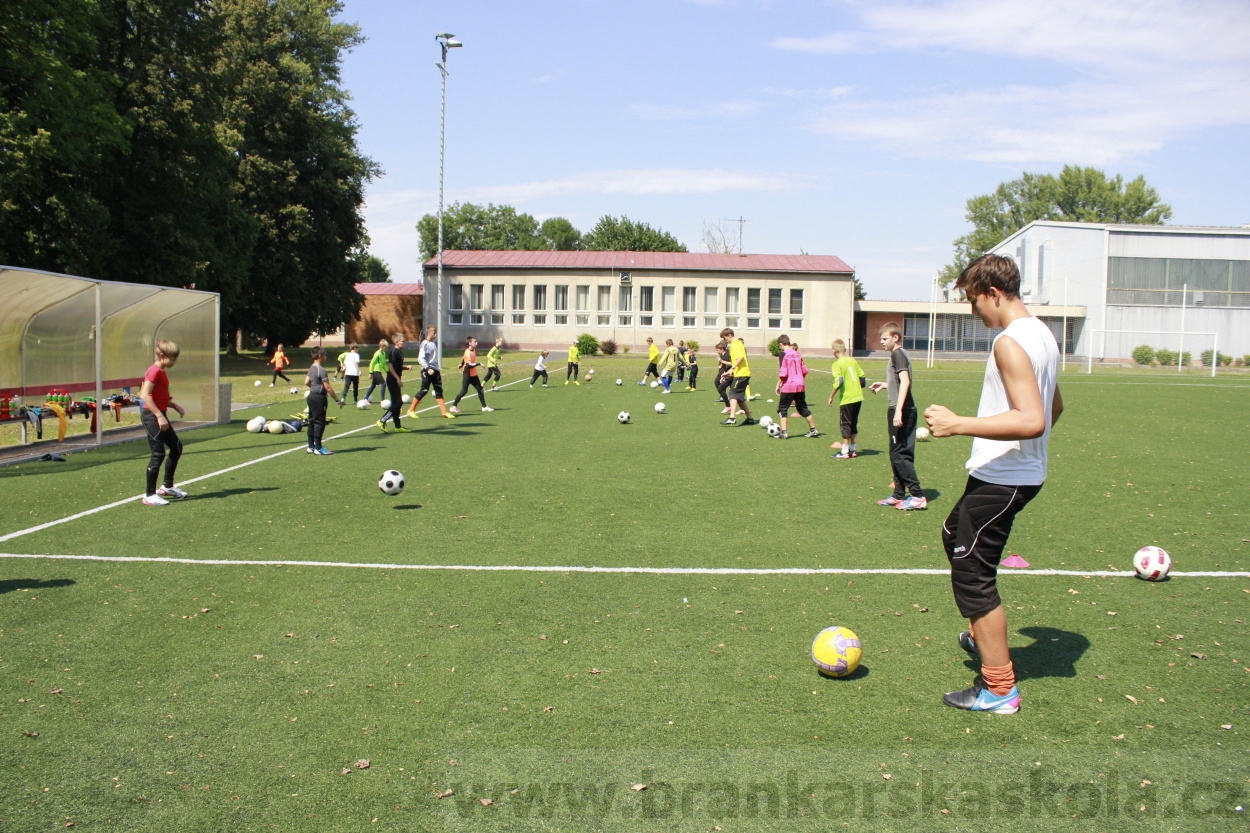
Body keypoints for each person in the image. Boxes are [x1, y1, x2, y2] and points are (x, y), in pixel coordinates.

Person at [924, 254, 1063, 715]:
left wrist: (959, 423)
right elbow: (1054, 406)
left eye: (972, 300)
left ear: (993, 293)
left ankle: (1000, 688)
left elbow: (1034, 417)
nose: (973, 311)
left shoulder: (1010, 342)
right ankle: (985, 640)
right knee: (952, 536)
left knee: (974, 576)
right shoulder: (1043, 335)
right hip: (1004, 472)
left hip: (1005, 480)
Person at [870, 322, 924, 510]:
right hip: (902, 408)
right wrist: (885, 385)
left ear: (895, 337)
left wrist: (899, 410)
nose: (881, 342)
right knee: (897, 454)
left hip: (902, 410)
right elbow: (898, 382)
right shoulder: (898, 355)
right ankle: (899, 495)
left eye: (884, 339)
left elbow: (905, 381)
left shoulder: (898, 354)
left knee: (899, 455)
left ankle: (917, 495)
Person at [139, 339, 187, 506]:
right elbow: (145, 395)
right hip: (151, 416)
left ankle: (167, 487)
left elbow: (158, 396)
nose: (174, 362)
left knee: (176, 447)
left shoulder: (161, 371)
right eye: (172, 358)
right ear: (161, 355)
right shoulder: (154, 371)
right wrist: (159, 416)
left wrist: (172, 405)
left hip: (160, 413)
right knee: (158, 453)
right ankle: (149, 495)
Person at [774, 334, 818, 439]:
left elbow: (783, 371)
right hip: (800, 384)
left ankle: (784, 433)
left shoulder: (782, 354)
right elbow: (804, 370)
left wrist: (778, 385)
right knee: (802, 407)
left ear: (781, 344)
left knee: (782, 409)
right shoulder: (797, 354)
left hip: (789, 385)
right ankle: (813, 429)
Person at [828, 338, 866, 458]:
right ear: (844, 349)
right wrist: (857, 388)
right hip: (858, 396)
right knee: (853, 423)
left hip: (847, 398)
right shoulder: (852, 360)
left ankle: (844, 452)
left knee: (845, 423)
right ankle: (853, 450)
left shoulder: (837, 364)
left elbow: (839, 381)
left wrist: (831, 396)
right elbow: (862, 377)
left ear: (833, 351)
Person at [305, 346, 344, 454]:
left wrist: (314, 388)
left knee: (312, 421)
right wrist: (337, 400)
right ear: (320, 356)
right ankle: (318, 448)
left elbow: (306, 382)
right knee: (319, 422)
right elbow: (328, 387)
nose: (326, 357)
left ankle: (310, 446)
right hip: (319, 398)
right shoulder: (321, 370)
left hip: (311, 396)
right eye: (325, 355)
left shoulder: (312, 367)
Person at [407, 326, 453, 419]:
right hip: (427, 371)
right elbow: (420, 358)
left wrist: (436, 369)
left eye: (436, 333)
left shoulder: (433, 343)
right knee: (424, 390)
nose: (435, 335)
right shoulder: (425, 344)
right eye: (434, 333)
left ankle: (444, 412)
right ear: (429, 333)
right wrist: (428, 368)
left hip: (435, 370)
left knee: (439, 390)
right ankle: (411, 410)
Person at [719, 329, 756, 425]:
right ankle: (750, 418)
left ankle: (732, 418)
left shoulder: (735, 343)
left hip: (741, 374)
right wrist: (729, 372)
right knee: (739, 398)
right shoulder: (736, 344)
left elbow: (740, 358)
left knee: (732, 394)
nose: (724, 340)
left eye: (724, 337)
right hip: (741, 373)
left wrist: (732, 368)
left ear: (730, 335)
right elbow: (735, 361)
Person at [377, 333, 411, 433]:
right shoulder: (393, 352)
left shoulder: (400, 352)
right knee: (398, 402)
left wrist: (405, 367)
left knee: (398, 403)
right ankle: (382, 420)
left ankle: (397, 426)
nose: (404, 343)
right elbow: (390, 366)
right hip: (392, 379)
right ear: (396, 342)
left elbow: (397, 367)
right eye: (403, 341)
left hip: (396, 379)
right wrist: (397, 378)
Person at [450, 336, 493, 413]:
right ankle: (453, 406)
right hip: (467, 374)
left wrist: (461, 364)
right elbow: (469, 365)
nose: (476, 343)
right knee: (464, 391)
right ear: (470, 343)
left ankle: (484, 406)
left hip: (473, 374)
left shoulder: (473, 350)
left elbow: (464, 359)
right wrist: (479, 363)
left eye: (476, 342)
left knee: (480, 389)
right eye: (475, 342)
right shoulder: (468, 352)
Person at [362, 339, 389, 404]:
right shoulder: (377, 353)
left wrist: (388, 371)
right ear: (382, 346)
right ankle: (382, 400)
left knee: (373, 385)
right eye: (386, 347)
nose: (386, 348)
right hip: (376, 371)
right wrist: (370, 373)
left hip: (379, 371)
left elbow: (384, 364)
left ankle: (365, 398)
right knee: (383, 384)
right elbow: (372, 363)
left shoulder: (383, 354)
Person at [715, 339, 732, 413]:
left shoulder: (727, 354)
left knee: (733, 392)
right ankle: (728, 404)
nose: (717, 351)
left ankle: (729, 406)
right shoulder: (723, 354)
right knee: (718, 384)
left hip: (732, 374)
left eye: (717, 350)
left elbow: (732, 364)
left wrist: (721, 362)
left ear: (722, 349)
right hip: (727, 373)